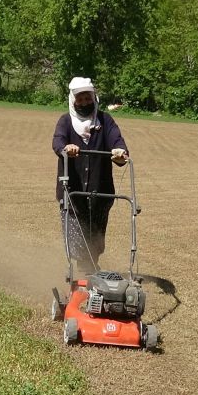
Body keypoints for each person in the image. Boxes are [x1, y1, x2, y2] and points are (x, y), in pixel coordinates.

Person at [52, 76, 130, 272]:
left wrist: (119, 152)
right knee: (77, 238)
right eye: (80, 100)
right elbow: (57, 142)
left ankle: (90, 270)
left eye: (88, 99)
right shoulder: (65, 121)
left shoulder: (105, 120)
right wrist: (66, 147)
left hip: (100, 193)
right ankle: (84, 273)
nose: (84, 103)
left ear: (94, 98)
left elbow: (117, 141)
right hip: (72, 192)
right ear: (73, 101)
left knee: (95, 237)